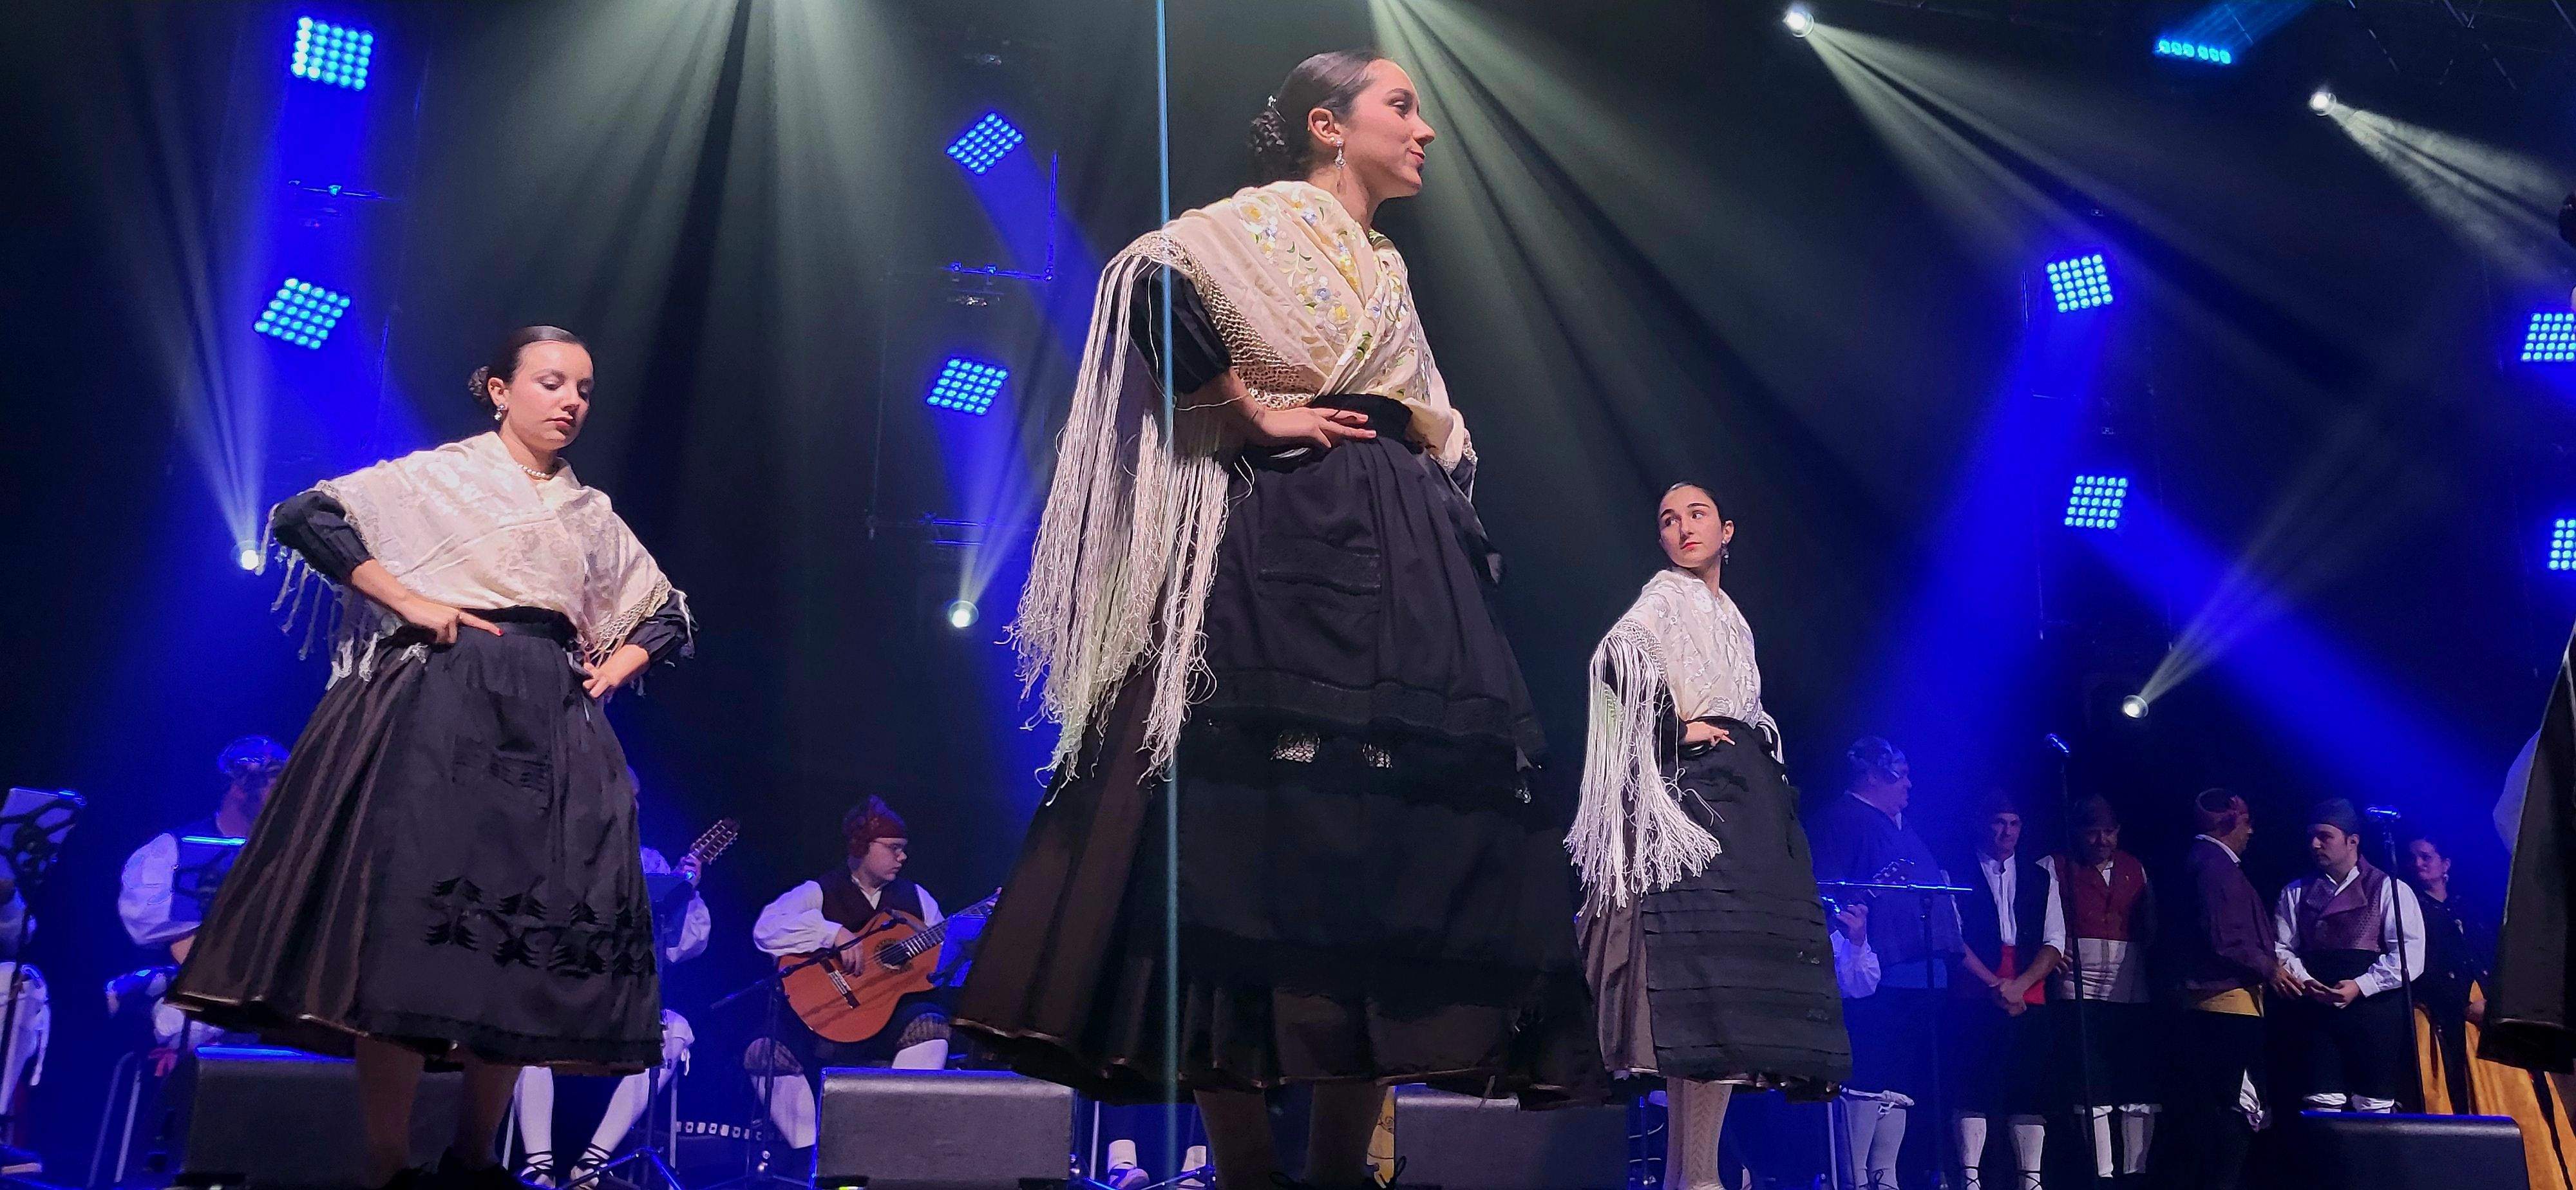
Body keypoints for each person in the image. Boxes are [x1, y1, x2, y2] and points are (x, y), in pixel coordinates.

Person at [953, 49, 1601, 1190]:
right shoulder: (1252, 225)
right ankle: (1250, 1172)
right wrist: (1246, 409)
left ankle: (1341, 1174)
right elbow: (1144, 283)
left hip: (1401, 563)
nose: (1425, 129)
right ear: (1326, 124)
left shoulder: (1385, 263)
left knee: (1384, 858)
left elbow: (1428, 417)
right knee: (1239, 847)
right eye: (1401, 106)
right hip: (1277, 553)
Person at [167, 326, 695, 1190]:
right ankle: (388, 1166)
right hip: (444, 705)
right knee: (413, 935)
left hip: (549, 714)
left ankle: (473, 1160)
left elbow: (665, 610)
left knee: (519, 942)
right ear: (500, 390)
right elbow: (306, 516)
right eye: (552, 382)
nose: (571, 401)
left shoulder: (589, 513)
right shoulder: (442, 475)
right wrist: (409, 599)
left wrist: (616, 665)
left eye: (584, 389)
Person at [1567, 483, 1850, 1190]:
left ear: (1727, 531)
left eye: (1696, 515)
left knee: (1729, 990)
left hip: (1746, 798)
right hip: (1704, 800)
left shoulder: (1732, 616)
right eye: (1669, 519)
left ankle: (1693, 1177)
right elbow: (1615, 660)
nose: (1682, 528)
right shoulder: (1665, 596)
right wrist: (1671, 727)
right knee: (1703, 981)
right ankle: (1695, 1179)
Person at [514, 810, 712, 1188]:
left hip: (624, 1005)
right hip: (566, 992)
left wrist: (686, 891)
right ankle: (539, 1166)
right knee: (520, 1020)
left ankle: (591, 1165)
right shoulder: (563, 849)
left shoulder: (651, 862)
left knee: (676, 1031)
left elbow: (683, 947)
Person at [749, 798, 951, 1158]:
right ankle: (810, 1157)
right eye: (893, 848)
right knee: (763, 1052)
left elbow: (944, 959)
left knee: (931, 1025)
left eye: (903, 849)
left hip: (888, 1023)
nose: (902, 857)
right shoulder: (821, 890)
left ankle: (891, 1150)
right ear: (861, 846)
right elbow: (766, 928)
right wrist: (832, 933)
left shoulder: (917, 899)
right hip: (825, 1017)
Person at [1809, 737, 1958, 1190]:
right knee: (1868, 1076)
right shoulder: (1840, 820)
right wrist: (1851, 935)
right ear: (1873, 776)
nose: (1909, 784)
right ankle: (1854, 1176)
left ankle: (1886, 1176)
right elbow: (1827, 894)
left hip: (1920, 975)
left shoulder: (1901, 825)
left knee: (1899, 1084)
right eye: (1901, 774)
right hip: (1873, 976)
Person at [2405, 831, 2576, 1188]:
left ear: (2446, 865)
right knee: (2472, 1094)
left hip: (2492, 1012)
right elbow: (2421, 972)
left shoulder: (2468, 909)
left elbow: (2499, 958)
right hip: (2451, 1018)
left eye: (2426, 857)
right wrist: (2463, 1006)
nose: (2418, 864)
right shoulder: (2412, 910)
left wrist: (2498, 1003)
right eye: (2414, 858)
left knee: (2522, 1094)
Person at [118, 735, 285, 1055]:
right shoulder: (172, 848)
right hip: (195, 992)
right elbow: (141, 920)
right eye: (274, 784)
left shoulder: (289, 855)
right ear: (238, 789)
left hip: (269, 990)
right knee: (182, 1021)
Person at [2148, 789, 2273, 1190]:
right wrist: (2270, 967)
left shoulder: (2205, 863)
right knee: (2234, 1109)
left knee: (2218, 1108)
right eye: (2246, 821)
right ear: (2228, 823)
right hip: (2225, 1007)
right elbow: (2225, 939)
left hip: (2219, 1005)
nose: (2250, 831)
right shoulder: (2215, 866)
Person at [2269, 797, 2425, 1115]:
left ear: (2352, 841)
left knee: (2374, 1103)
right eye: (2312, 837)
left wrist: (2361, 985)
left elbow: (2410, 953)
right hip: (2317, 1010)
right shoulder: (2296, 892)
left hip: (2374, 1011)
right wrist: (2306, 981)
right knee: (2321, 1101)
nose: (2315, 844)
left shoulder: (2388, 888)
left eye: (2324, 836)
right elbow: (2282, 947)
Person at [1947, 791, 2061, 1190]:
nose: (2006, 832)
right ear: (1981, 824)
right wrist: (1995, 984)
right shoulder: (1955, 870)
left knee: (2028, 1086)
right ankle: (1970, 1177)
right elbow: (1953, 938)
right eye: (1998, 822)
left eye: (2014, 824)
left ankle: (2031, 1179)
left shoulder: (2041, 876)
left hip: (2028, 992)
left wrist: (2020, 986)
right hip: (1975, 990)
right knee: (1973, 1083)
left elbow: (2054, 942)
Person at [2045, 795, 2157, 1187]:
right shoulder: (2055, 866)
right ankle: (2102, 1175)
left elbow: (2150, 925)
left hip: (2130, 984)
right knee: (2091, 1081)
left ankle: (2136, 1173)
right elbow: (2036, 918)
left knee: (2136, 1079)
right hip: (2078, 985)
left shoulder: (2134, 868)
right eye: (2093, 832)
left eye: (2109, 832)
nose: (2102, 840)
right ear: (2077, 832)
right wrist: (2049, 949)